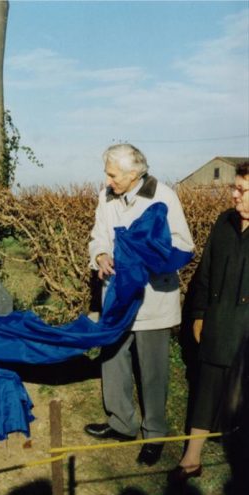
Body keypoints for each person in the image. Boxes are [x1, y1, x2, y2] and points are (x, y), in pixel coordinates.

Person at [84, 143, 194, 466]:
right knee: (113, 361)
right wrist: (101, 255)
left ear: (134, 175)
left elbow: (183, 245)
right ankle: (121, 423)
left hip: (152, 302)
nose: (107, 181)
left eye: (112, 174)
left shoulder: (164, 197)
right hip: (117, 299)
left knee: (153, 372)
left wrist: (144, 252)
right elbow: (98, 236)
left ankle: (155, 434)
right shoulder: (106, 197)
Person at [168, 161, 249, 482]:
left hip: (246, 335)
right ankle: (191, 458)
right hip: (217, 325)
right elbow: (205, 275)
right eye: (235, 187)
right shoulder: (223, 222)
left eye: (242, 190)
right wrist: (199, 314)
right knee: (205, 391)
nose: (234, 195)